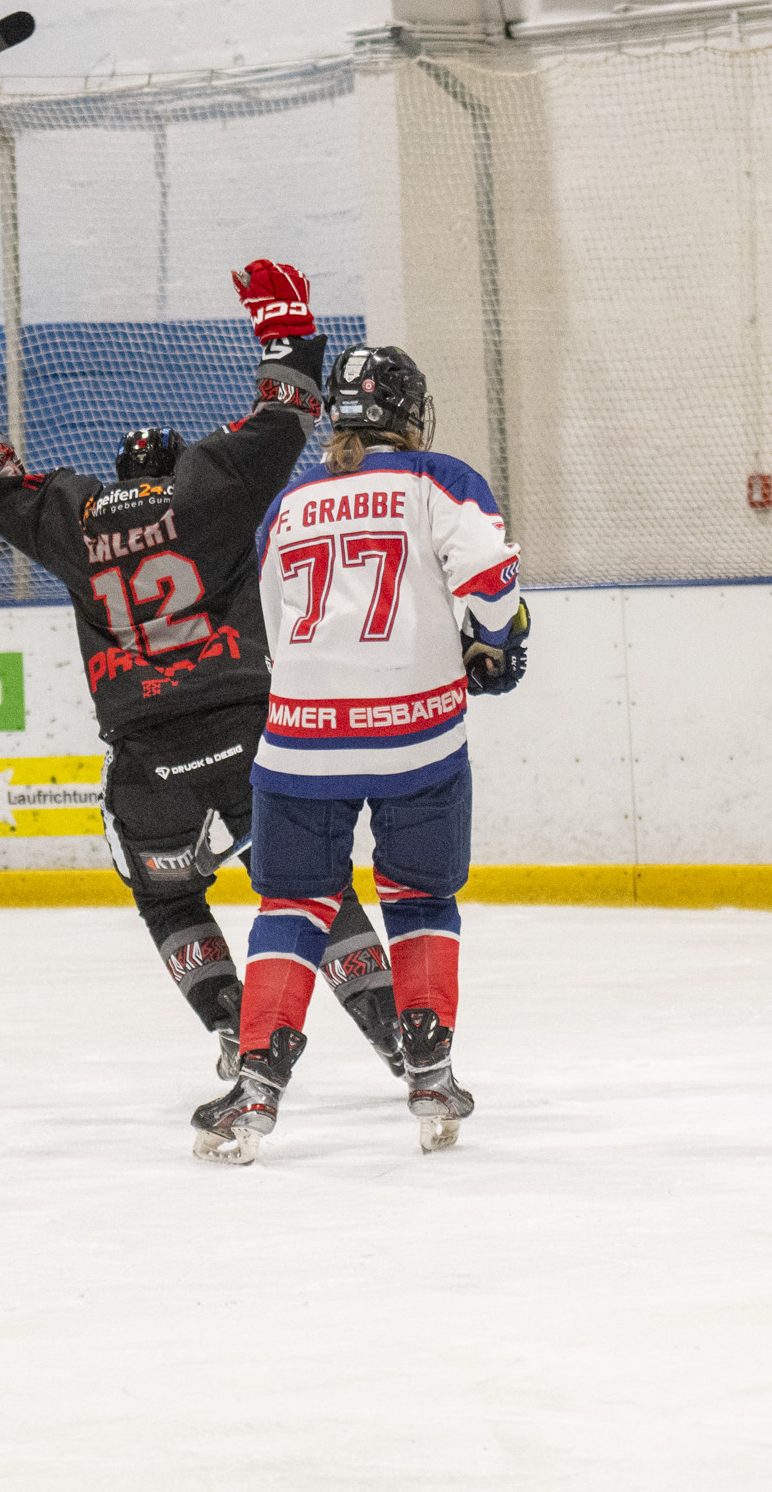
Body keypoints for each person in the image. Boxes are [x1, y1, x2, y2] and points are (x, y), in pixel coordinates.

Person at [0, 261, 399, 1086]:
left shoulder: (73, 519)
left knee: (169, 898)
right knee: (313, 890)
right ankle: (395, 1032)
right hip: (253, 746)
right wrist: (287, 331)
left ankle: (228, 1021)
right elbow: (287, 416)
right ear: (174, 465)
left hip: (148, 768)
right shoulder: (211, 490)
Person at [191, 344, 529, 1164]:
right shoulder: (439, 479)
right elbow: (488, 576)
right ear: (409, 413)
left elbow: (269, 615)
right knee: (419, 895)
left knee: (293, 906)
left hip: (302, 739)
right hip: (418, 737)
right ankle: (431, 1070)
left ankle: (259, 1081)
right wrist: (496, 647)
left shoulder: (291, 501)